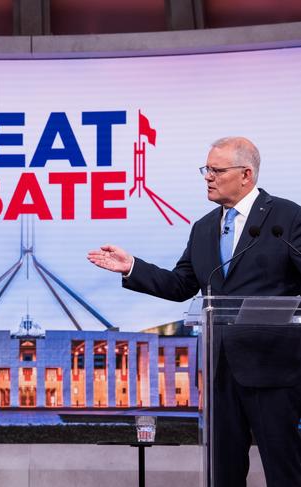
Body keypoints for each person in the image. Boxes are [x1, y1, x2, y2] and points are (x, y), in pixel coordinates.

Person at [88, 137, 301, 487]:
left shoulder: (287, 217)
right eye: (206, 170)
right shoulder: (203, 228)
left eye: (217, 170)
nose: (208, 177)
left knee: (285, 470)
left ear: (246, 174)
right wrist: (132, 268)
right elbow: (181, 285)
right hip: (219, 371)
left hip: (273, 369)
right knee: (223, 473)